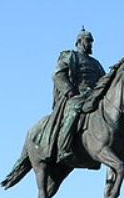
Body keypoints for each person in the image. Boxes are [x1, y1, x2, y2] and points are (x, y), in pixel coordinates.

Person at [44, 28, 106, 164]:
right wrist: (70, 90)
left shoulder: (95, 63)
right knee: (73, 112)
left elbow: (104, 80)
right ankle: (63, 149)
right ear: (79, 42)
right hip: (76, 95)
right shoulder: (70, 56)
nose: (90, 44)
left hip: (93, 95)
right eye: (87, 41)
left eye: (91, 42)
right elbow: (58, 75)